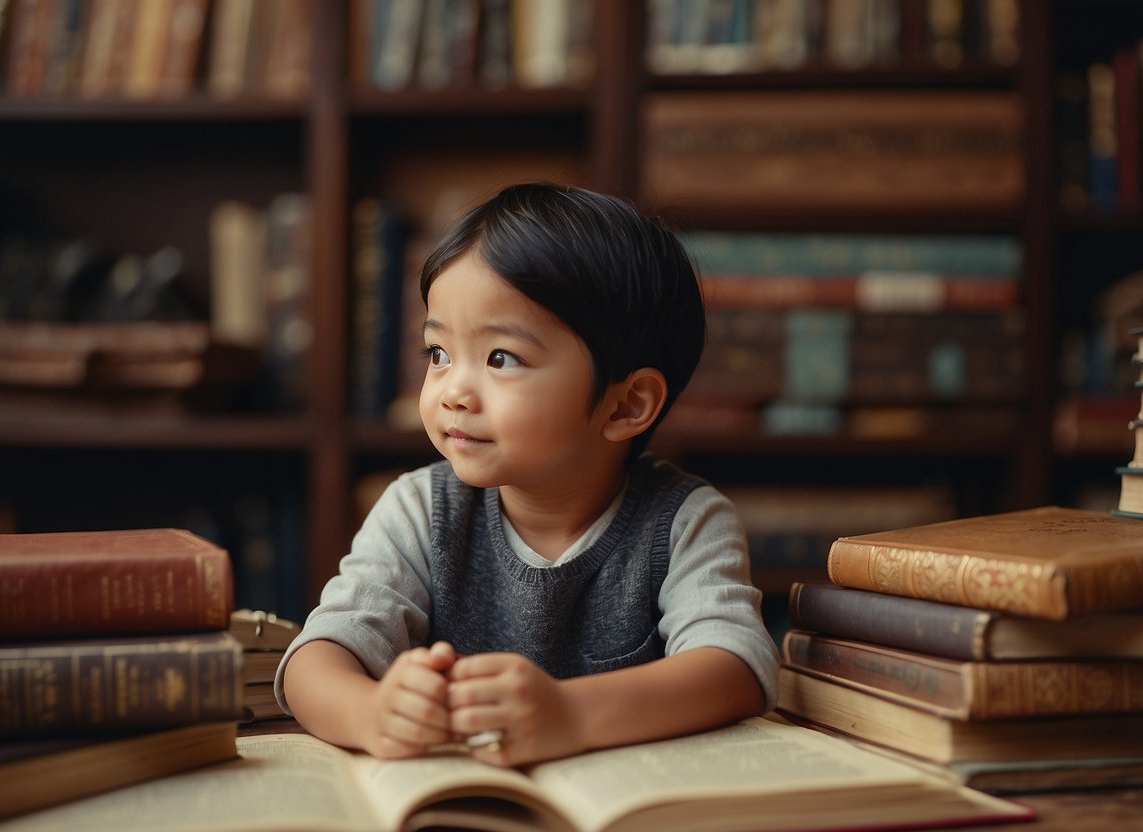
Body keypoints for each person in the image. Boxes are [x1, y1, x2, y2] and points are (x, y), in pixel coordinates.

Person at [276, 182, 779, 767]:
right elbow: (316, 658)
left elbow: (736, 667)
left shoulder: (684, 522)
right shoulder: (418, 509)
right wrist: (370, 711)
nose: (453, 392)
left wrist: (570, 715)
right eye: (437, 353)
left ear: (626, 405)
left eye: (500, 358)